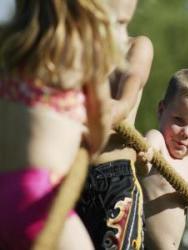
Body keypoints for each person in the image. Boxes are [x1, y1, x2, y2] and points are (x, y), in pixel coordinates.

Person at [0, 0, 124, 249]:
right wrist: (94, 142)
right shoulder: (86, 49)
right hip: (36, 198)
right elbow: (100, 115)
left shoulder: (11, 46)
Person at [76, 0, 154, 249]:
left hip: (116, 179)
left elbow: (131, 82)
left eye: (122, 22)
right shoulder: (79, 50)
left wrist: (114, 111)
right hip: (73, 176)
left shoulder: (137, 46)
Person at [138, 69, 188, 250]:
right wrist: (145, 156)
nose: (185, 133)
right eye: (179, 120)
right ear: (161, 110)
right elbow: (148, 148)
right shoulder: (158, 141)